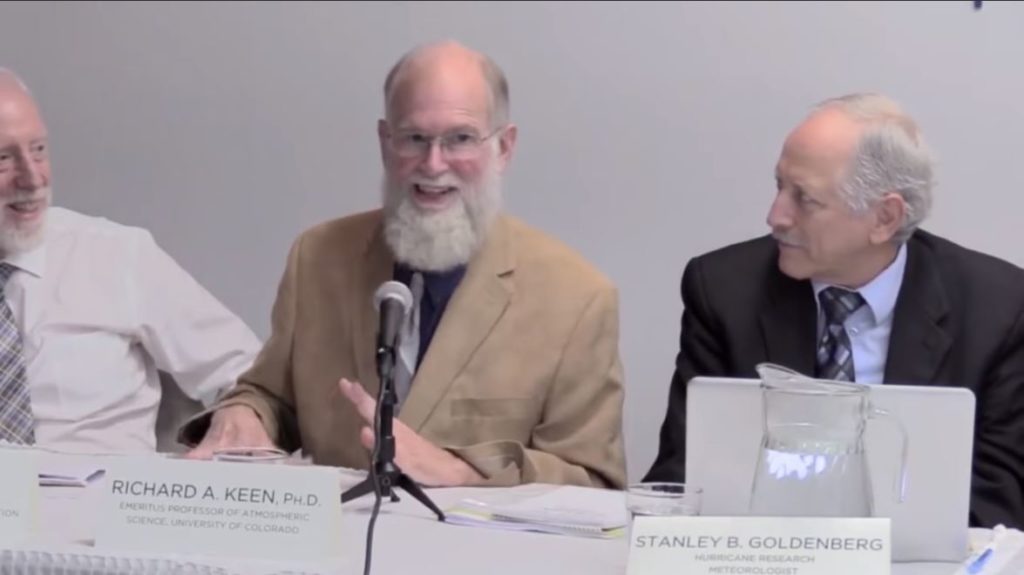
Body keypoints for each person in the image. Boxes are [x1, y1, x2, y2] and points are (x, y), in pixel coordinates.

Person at [181, 41, 626, 489]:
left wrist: (462, 472)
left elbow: (594, 483)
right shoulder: (316, 258)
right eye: (414, 138)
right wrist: (245, 412)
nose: (433, 164)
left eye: (460, 139)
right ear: (385, 142)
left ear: (504, 147)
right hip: (336, 532)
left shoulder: (578, 298)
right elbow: (271, 396)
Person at [646, 93, 1024, 528]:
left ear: (884, 218)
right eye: (779, 186)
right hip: (763, 550)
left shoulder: (997, 308)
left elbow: (998, 508)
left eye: (805, 199)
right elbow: (685, 475)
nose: (776, 216)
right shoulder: (723, 290)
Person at [0, 68, 262, 453]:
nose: (33, 179)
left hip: (98, 487)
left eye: (38, 150)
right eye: (3, 159)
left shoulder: (116, 255)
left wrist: (242, 412)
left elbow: (250, 372)